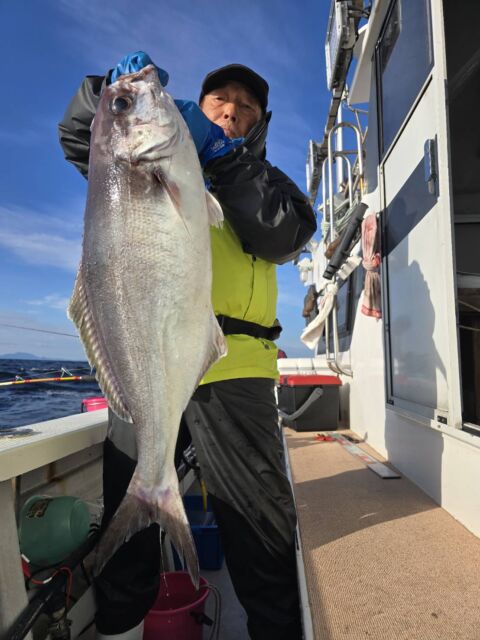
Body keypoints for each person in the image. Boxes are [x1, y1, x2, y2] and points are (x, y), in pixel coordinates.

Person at [58, 52, 317, 640]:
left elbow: (285, 233)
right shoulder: (129, 157)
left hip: (235, 369)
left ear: (260, 122)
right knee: (127, 542)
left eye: (246, 106)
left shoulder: (268, 183)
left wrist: (223, 158)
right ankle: (121, 627)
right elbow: (79, 133)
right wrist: (108, 93)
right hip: (140, 363)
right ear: (193, 109)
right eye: (219, 101)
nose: (231, 110)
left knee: (259, 531)